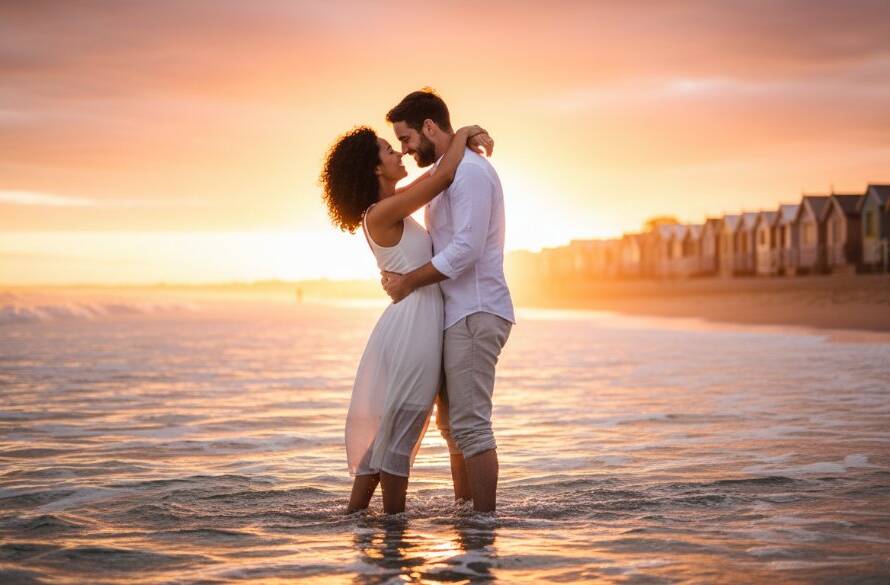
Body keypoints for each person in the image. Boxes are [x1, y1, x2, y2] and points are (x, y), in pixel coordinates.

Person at [320, 122, 494, 514]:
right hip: (413, 325)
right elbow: (443, 175)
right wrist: (464, 133)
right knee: (405, 423)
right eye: (388, 149)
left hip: (415, 320)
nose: (399, 154)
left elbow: (436, 175)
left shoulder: (392, 205)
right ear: (374, 169)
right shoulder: (383, 211)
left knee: (393, 425)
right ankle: (394, 531)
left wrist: (453, 141)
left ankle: (356, 518)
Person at [381, 90, 515, 512]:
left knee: (471, 426)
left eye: (405, 139)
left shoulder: (470, 172)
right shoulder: (447, 171)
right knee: (452, 428)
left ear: (429, 127)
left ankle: (484, 526)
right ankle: (466, 516)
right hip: (455, 315)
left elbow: (466, 249)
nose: (404, 149)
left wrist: (408, 283)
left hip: (476, 311)